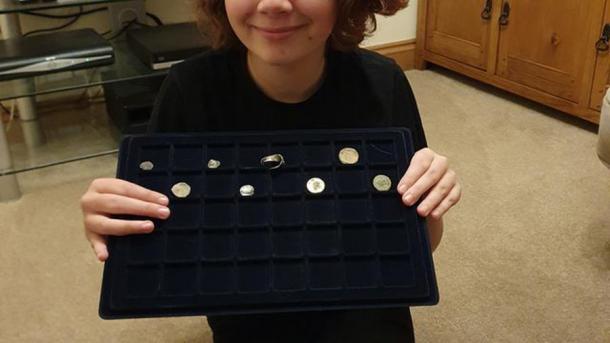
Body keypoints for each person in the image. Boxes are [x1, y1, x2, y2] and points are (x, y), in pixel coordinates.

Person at [80, 0, 462, 341]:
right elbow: (163, 240)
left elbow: (421, 244)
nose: (274, 4)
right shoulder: (189, 89)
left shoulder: (383, 82)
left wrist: (431, 199)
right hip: (248, 318)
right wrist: (116, 223)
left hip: (367, 312)